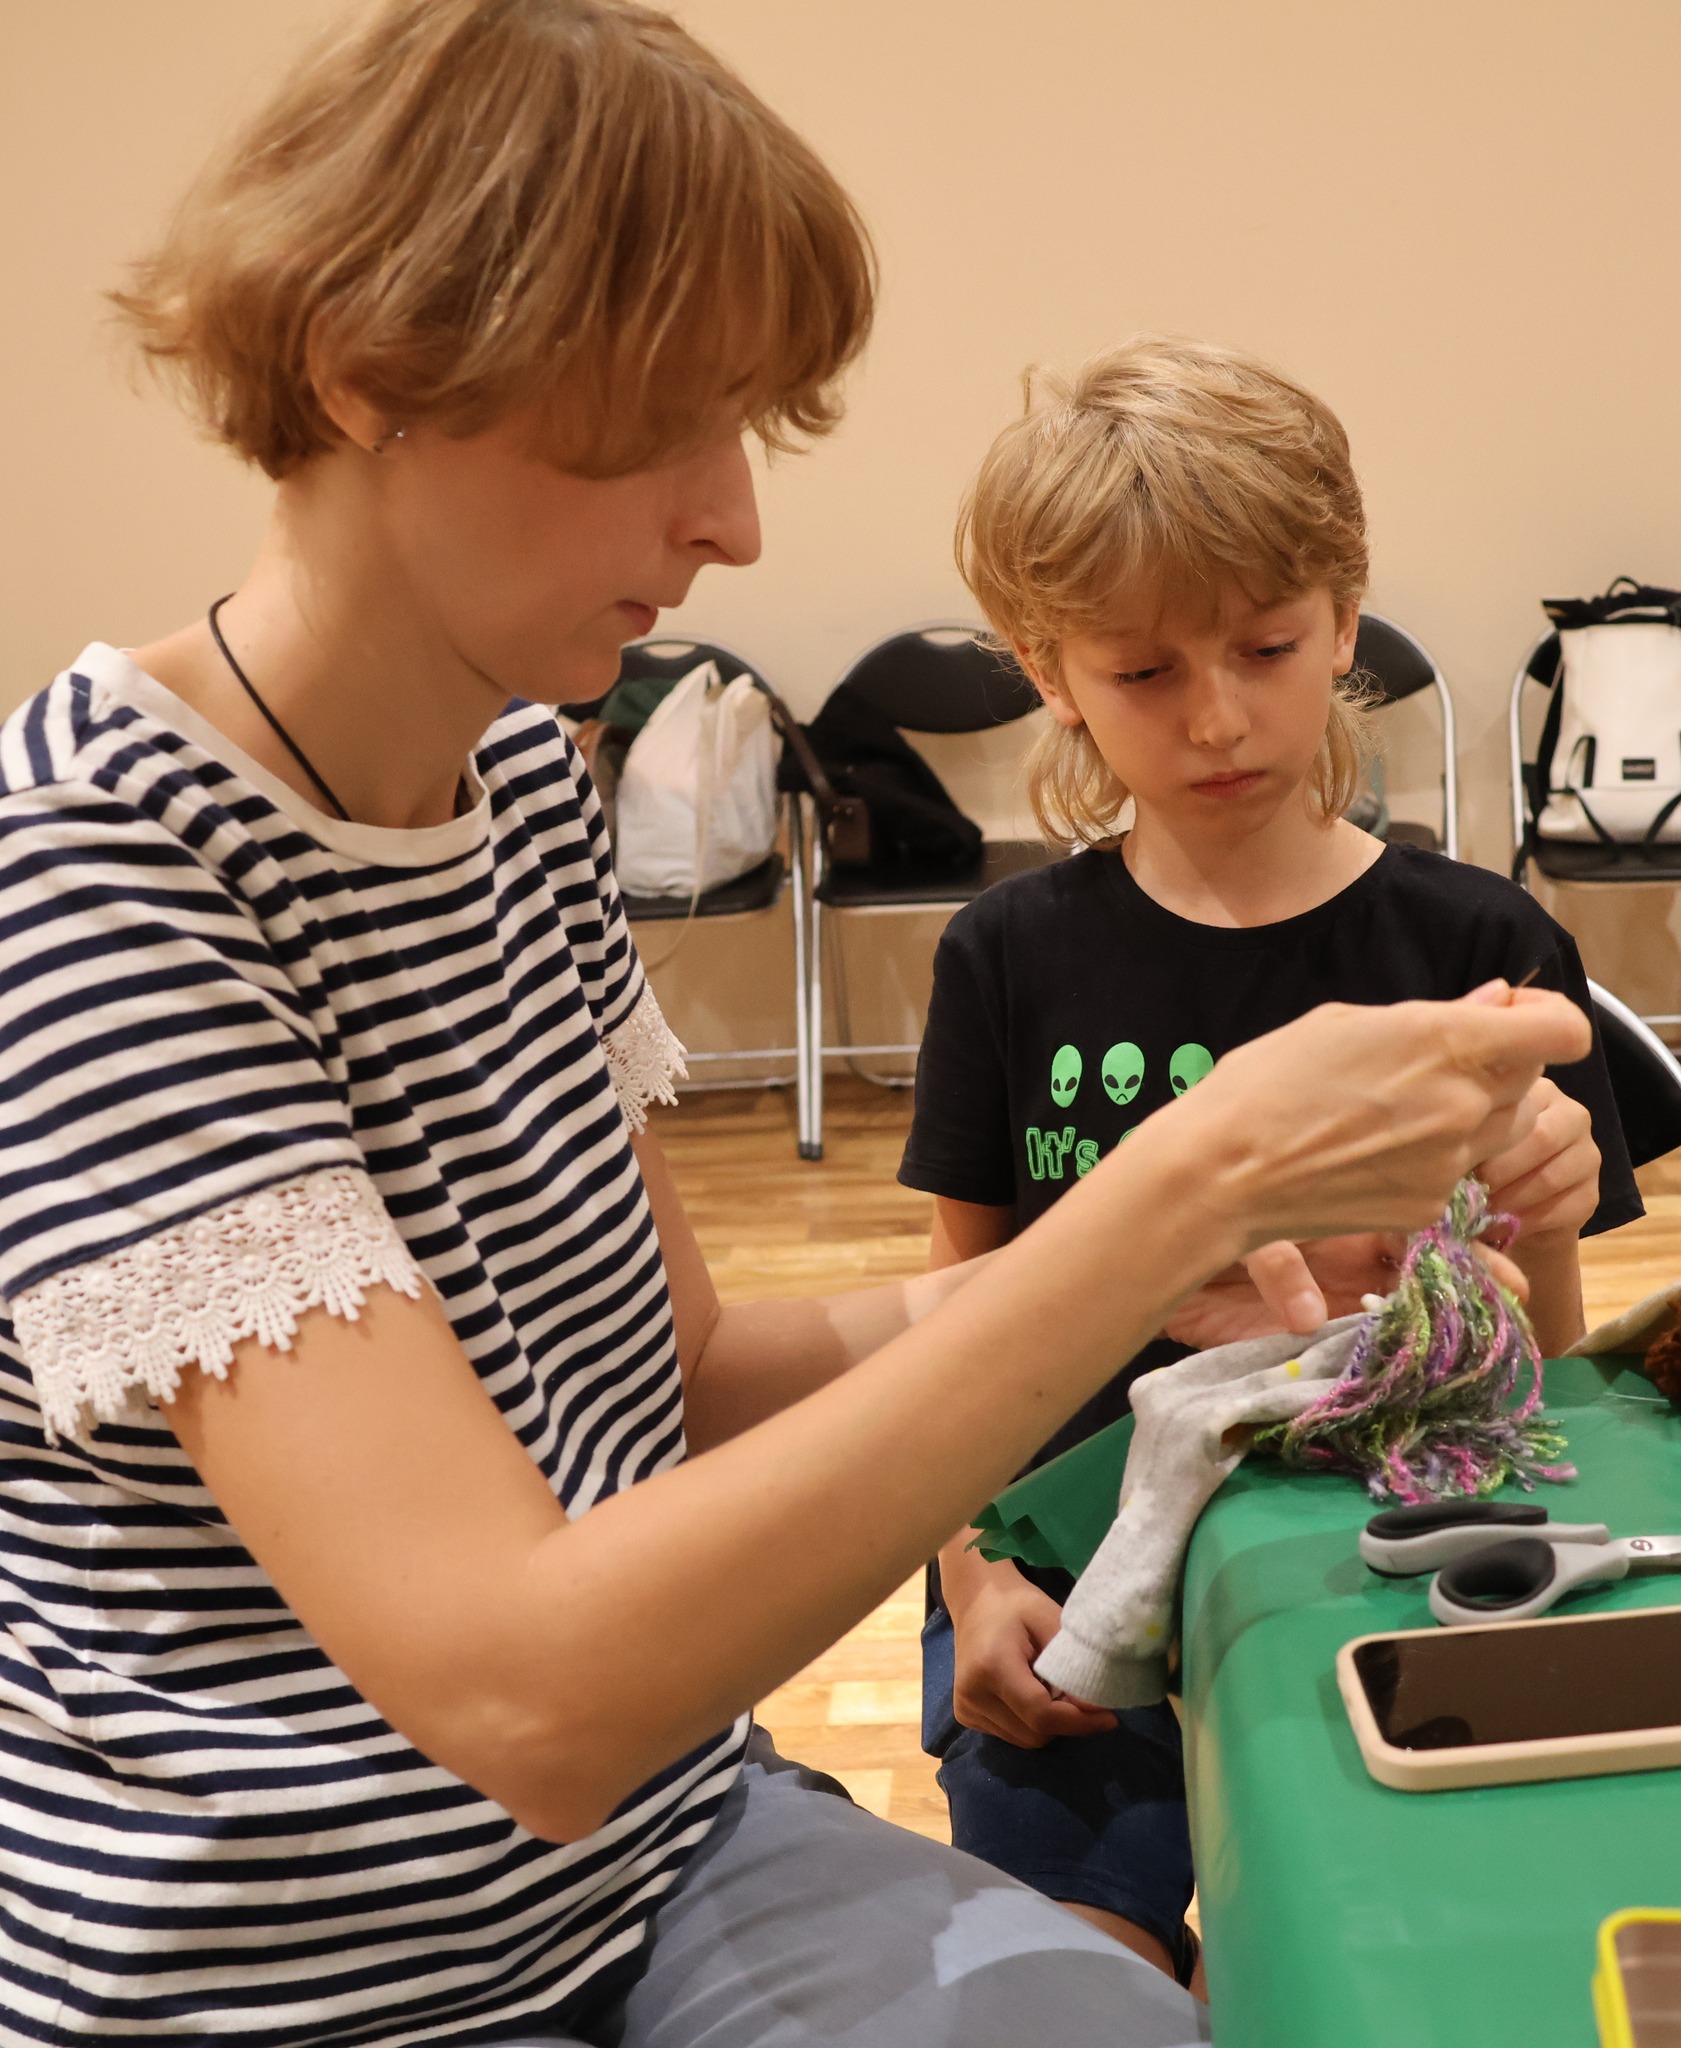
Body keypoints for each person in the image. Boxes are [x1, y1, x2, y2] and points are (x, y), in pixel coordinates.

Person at [0, 12, 1591, 2045]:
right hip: (287, 1985)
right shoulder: (99, 875)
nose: (733, 521)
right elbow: (528, 1698)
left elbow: (682, 1385)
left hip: (653, 1863)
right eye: (670, 422)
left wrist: (1170, 1266)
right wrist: (1186, 1182)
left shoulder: (518, 784)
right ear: (370, 369)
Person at [900, 337, 1641, 1991]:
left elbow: (1546, 1360)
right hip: (1065, 1566)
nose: (1219, 718)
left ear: (1344, 615)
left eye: (1264, 646)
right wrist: (968, 1570)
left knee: (1387, 1963)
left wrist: (1535, 1216)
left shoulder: (1476, 941)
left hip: (1388, 1558)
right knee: (1073, 1986)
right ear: (1046, 670)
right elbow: (956, 1308)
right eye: (1141, 671)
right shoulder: (1006, 955)